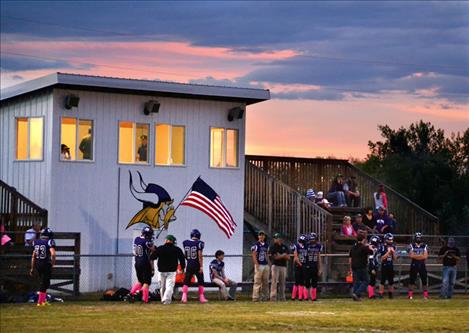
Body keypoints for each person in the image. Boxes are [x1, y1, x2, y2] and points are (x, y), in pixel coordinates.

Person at [151, 234, 186, 305]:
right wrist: (182, 268)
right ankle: (166, 300)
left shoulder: (160, 248)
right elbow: (182, 260)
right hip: (172, 271)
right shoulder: (177, 249)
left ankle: (163, 299)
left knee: (162, 287)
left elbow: (152, 257)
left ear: (166, 240)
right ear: (173, 241)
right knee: (169, 286)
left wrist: (153, 251)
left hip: (161, 271)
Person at [30, 228, 56, 306]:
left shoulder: (35, 242)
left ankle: (43, 301)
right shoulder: (49, 241)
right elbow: (53, 254)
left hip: (38, 264)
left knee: (45, 282)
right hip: (45, 264)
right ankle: (40, 302)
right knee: (44, 283)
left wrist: (32, 268)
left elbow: (33, 256)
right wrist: (53, 263)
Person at [129, 226, 155, 303]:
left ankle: (131, 293)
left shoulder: (137, 239)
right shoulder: (147, 241)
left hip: (137, 262)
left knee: (140, 281)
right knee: (147, 282)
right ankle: (145, 299)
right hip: (144, 263)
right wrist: (151, 243)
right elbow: (153, 249)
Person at [182, 229, 208, 303]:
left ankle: (184, 297)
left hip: (189, 263)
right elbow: (200, 255)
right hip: (196, 264)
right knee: (200, 281)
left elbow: (185, 254)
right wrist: (201, 266)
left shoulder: (185, 242)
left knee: (186, 281)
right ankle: (201, 297)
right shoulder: (199, 243)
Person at [349, 234, 373, 301]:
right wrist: (370, 247)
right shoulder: (364, 247)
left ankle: (356, 296)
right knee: (366, 281)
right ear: (363, 240)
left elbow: (350, 258)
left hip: (354, 266)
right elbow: (371, 252)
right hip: (362, 266)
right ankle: (357, 293)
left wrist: (350, 267)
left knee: (356, 281)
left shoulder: (353, 247)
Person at [407, 232, 429, 300]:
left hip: (422, 264)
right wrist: (420, 256)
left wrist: (416, 256)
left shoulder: (425, 246)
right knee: (412, 280)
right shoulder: (411, 245)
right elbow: (411, 256)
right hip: (414, 264)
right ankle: (410, 296)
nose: (418, 239)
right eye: (417, 238)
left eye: (419, 238)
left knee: (424, 280)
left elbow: (425, 256)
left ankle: (425, 296)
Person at [269, 233, 290, 302]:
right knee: (274, 282)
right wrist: (283, 255)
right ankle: (273, 297)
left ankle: (282, 297)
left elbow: (288, 257)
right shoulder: (273, 247)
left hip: (283, 266)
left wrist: (281, 255)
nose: (276, 239)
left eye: (277, 238)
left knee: (282, 282)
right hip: (275, 265)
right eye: (275, 238)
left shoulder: (285, 246)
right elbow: (275, 257)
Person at [251, 230, 270, 302]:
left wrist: (269, 264)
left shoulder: (266, 245)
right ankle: (255, 297)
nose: (261, 236)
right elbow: (254, 255)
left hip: (265, 264)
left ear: (264, 236)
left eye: (262, 235)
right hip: (259, 264)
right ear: (258, 236)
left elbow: (267, 255)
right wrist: (257, 264)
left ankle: (265, 297)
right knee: (257, 281)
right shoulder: (256, 245)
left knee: (265, 282)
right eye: (260, 235)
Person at [304, 232, 322, 301]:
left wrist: (320, 268)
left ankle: (313, 297)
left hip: (314, 266)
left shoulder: (318, 246)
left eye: (313, 239)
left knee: (314, 283)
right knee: (307, 282)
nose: (312, 240)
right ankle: (306, 297)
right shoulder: (306, 245)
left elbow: (319, 257)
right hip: (307, 265)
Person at [378, 233, 397, 299]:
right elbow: (382, 258)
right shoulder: (382, 246)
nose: (391, 241)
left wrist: (393, 252)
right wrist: (388, 252)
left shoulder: (393, 246)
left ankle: (390, 294)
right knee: (383, 280)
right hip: (384, 264)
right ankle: (380, 293)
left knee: (391, 280)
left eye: (391, 240)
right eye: (389, 240)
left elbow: (395, 259)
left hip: (390, 264)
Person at [291, 234, 308, 300]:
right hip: (298, 265)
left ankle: (301, 296)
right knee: (297, 281)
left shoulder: (306, 246)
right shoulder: (296, 246)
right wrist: (300, 264)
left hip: (304, 264)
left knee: (302, 281)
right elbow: (295, 257)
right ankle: (293, 296)